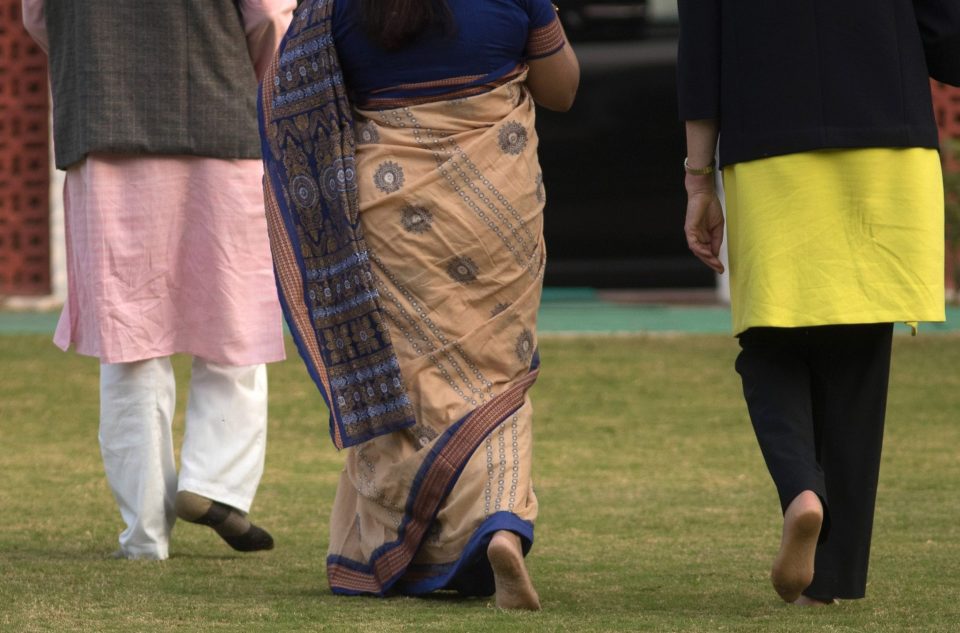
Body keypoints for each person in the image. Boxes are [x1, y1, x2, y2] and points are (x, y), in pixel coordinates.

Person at [259, 0, 578, 609]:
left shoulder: (338, 7)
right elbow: (562, 90)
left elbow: (300, 103)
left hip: (389, 209)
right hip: (498, 206)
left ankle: (421, 538)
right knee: (495, 373)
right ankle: (502, 523)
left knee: (408, 381)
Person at [677, 0, 960, 606]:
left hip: (770, 142)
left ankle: (803, 492)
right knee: (860, 354)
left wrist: (698, 177)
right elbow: (947, 31)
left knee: (769, 340)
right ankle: (829, 582)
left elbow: (702, 48)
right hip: (890, 135)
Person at [21, 0, 296, 560]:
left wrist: (104, 67)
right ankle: (213, 485)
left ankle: (145, 536)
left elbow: (36, 17)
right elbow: (268, 14)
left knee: (130, 339)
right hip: (223, 122)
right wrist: (256, 83)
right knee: (233, 322)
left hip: (105, 130)